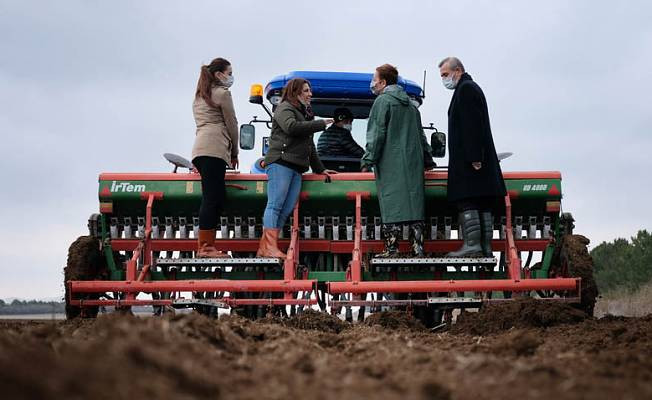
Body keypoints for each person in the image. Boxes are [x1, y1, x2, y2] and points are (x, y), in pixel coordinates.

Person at [256, 78, 337, 258]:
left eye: (310, 90)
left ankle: (265, 248)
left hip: (296, 167)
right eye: (306, 91)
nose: (310, 94)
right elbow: (291, 128)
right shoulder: (284, 108)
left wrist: (319, 169)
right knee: (275, 205)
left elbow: (309, 145)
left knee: (286, 208)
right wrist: (320, 124)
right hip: (280, 163)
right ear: (295, 92)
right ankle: (269, 247)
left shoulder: (304, 114)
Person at [362, 64, 435, 258]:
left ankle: (391, 249)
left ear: (383, 82)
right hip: (413, 163)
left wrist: (368, 160)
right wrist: (428, 159)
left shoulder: (382, 102)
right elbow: (421, 136)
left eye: (374, 79)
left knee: (391, 202)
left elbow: (376, 134)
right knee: (414, 203)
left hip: (390, 163)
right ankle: (417, 248)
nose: (372, 83)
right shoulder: (411, 107)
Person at [438, 57, 507, 257]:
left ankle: (472, 245)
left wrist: (475, 157)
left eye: (445, 74)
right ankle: (485, 247)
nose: (444, 79)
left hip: (470, 161)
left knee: (467, 200)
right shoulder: (470, 88)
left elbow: (472, 125)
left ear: (458, 70)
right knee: (482, 202)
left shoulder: (466, 89)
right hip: (477, 159)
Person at [191, 57, 238, 258]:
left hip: (200, 149)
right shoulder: (222, 94)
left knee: (215, 196)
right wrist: (235, 151)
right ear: (219, 74)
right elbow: (232, 123)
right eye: (229, 73)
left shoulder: (199, 97)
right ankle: (205, 247)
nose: (231, 77)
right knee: (212, 198)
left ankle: (207, 245)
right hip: (215, 149)